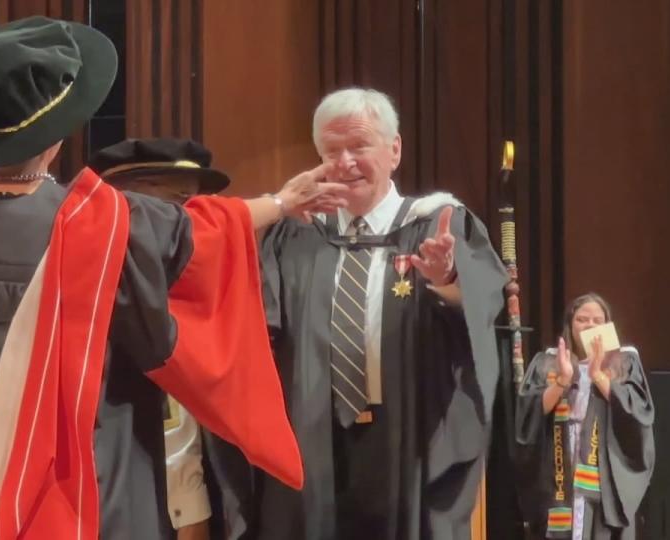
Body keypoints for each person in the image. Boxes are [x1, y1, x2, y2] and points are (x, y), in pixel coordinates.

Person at [0, 16, 346, 539]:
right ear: (54, 139)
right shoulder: (98, 226)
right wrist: (282, 202)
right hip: (83, 500)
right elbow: (199, 234)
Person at [207, 87, 509, 539]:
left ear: (395, 150)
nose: (345, 162)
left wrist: (448, 280)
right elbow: (256, 326)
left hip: (405, 437)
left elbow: (483, 306)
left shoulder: (435, 224)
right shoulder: (294, 234)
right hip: (310, 437)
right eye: (332, 151)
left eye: (359, 147)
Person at [90, 137, 232, 540]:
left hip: (207, 495)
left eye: (192, 206)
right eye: (172, 206)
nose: (185, 224)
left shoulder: (221, 287)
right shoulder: (90, 294)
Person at [515, 293, 655, 540]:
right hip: (560, 468)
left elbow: (638, 415)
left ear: (607, 325)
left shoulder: (624, 363)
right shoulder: (548, 361)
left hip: (602, 472)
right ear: (570, 325)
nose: (590, 325)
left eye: (597, 320)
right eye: (582, 319)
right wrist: (562, 381)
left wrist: (598, 375)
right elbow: (529, 414)